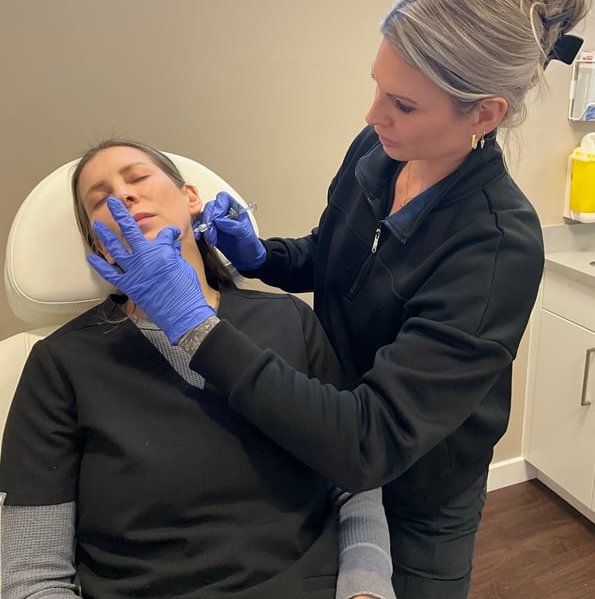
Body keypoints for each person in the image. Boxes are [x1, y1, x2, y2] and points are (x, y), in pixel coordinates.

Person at [67, 0, 591, 599]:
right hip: (318, 428)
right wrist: (261, 255)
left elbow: (370, 443)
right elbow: (334, 255)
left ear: (483, 114)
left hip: (415, 481)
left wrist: (191, 324)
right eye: (376, 86)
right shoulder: (380, 151)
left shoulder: (496, 247)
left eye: (401, 104)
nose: (373, 115)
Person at [0, 140, 396, 599]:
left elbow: (354, 482)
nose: (122, 196)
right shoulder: (61, 364)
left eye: (137, 177)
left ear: (191, 200)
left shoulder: (288, 319)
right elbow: (31, 574)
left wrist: (365, 589)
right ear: (98, 245)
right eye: (99, 198)